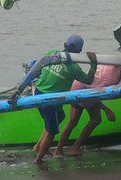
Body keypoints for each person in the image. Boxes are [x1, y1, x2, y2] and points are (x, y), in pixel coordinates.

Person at [54, 63, 121, 157]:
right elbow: (95, 95)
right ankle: (69, 149)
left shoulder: (114, 64)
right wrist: (107, 110)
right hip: (82, 92)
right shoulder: (111, 80)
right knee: (86, 120)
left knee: (83, 121)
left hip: (79, 85)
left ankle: (65, 149)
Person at [32, 35, 97, 164]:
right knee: (52, 131)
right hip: (50, 99)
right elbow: (88, 81)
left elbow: (37, 69)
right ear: (79, 51)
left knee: (60, 116)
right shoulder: (74, 68)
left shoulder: (51, 53)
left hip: (37, 92)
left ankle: (38, 147)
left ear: (64, 44)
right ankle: (38, 160)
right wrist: (93, 65)